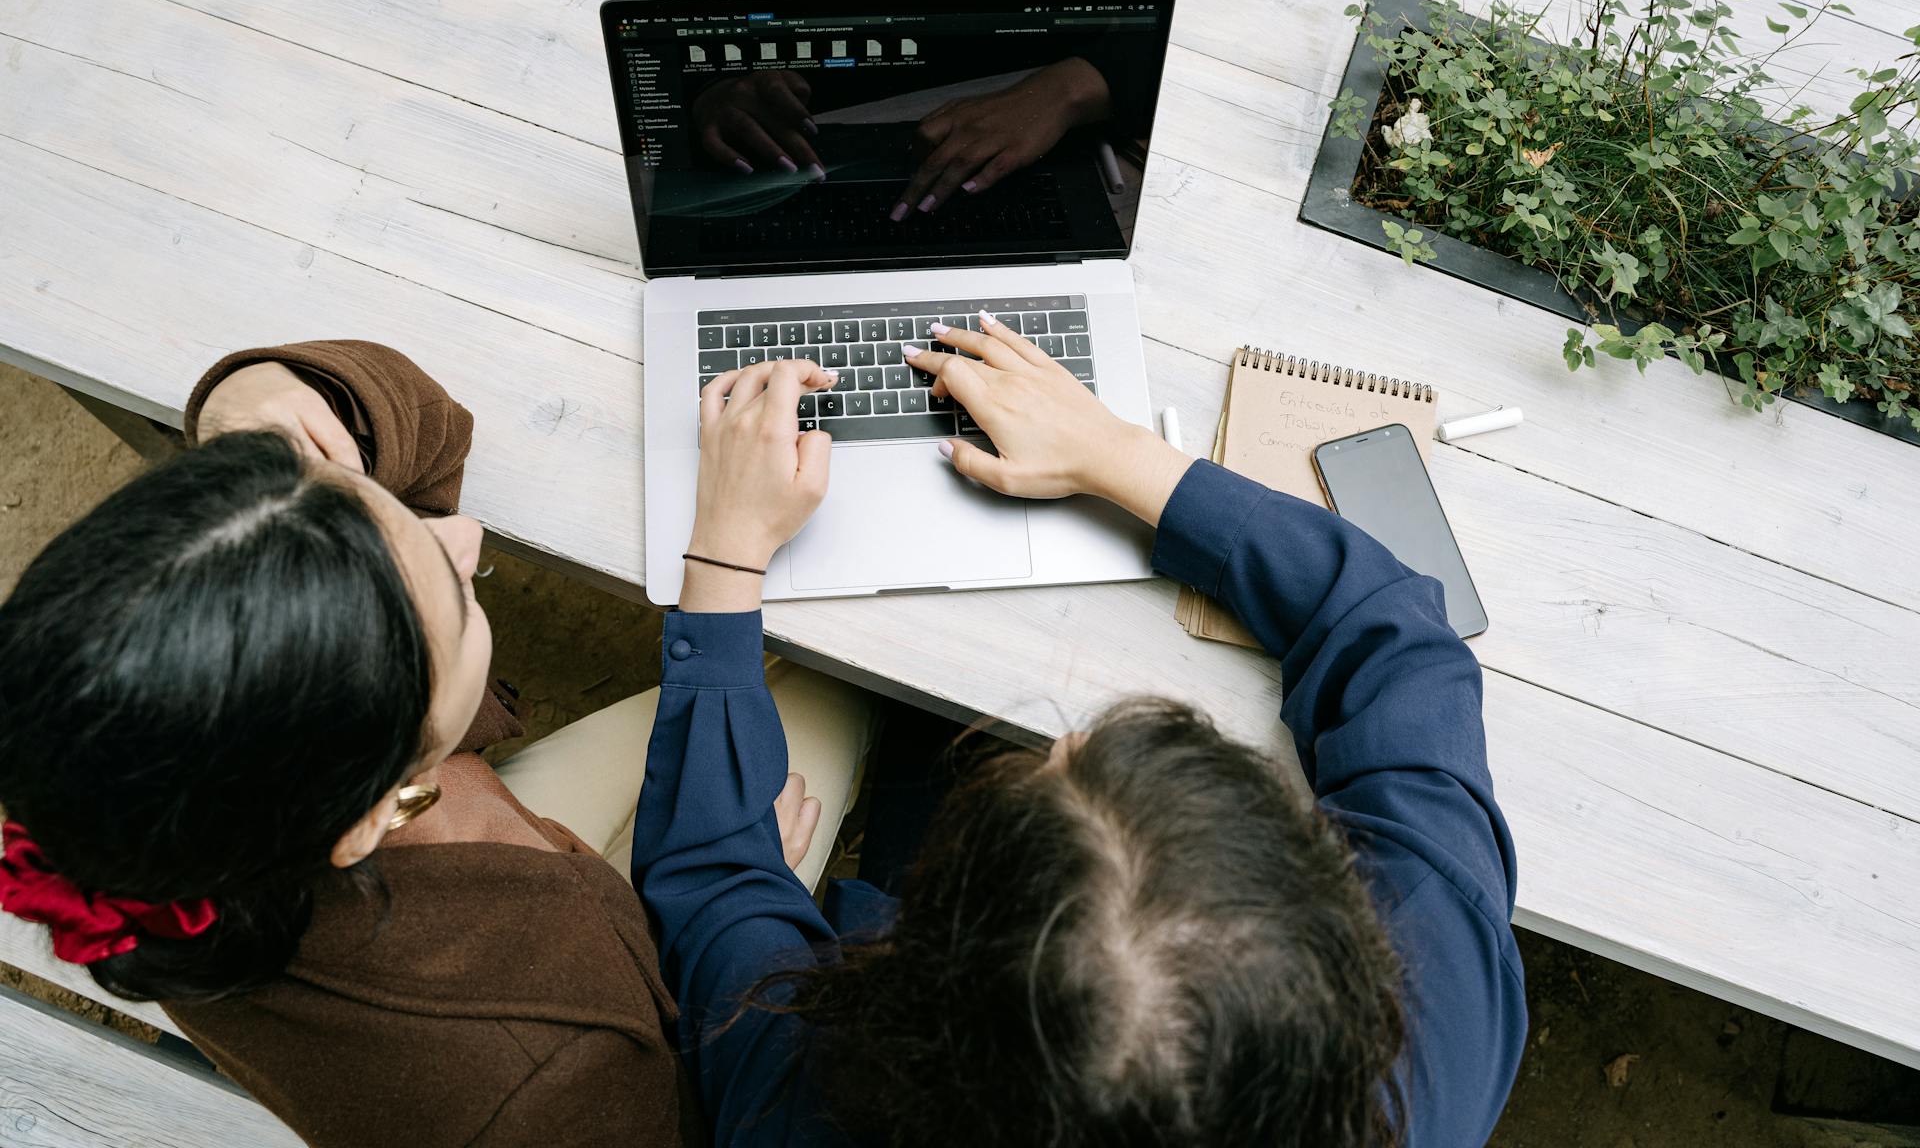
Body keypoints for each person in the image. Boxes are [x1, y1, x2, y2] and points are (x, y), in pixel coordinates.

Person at [633, 318, 1528, 1147]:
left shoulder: (806, 1107)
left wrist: (725, 546)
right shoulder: (1432, 1020)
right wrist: (1116, 453)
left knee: (929, 732)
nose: (1058, 748)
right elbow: (1402, 644)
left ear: (922, 992)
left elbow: (709, 882)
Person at [0, 341, 872, 1147]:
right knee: (842, 680)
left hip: (537, 904)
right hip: (647, 995)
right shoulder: (553, 1088)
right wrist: (719, 888)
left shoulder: (134, 795)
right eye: (456, 597)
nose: (464, 536)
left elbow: (421, 437)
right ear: (377, 809)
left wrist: (248, 400)